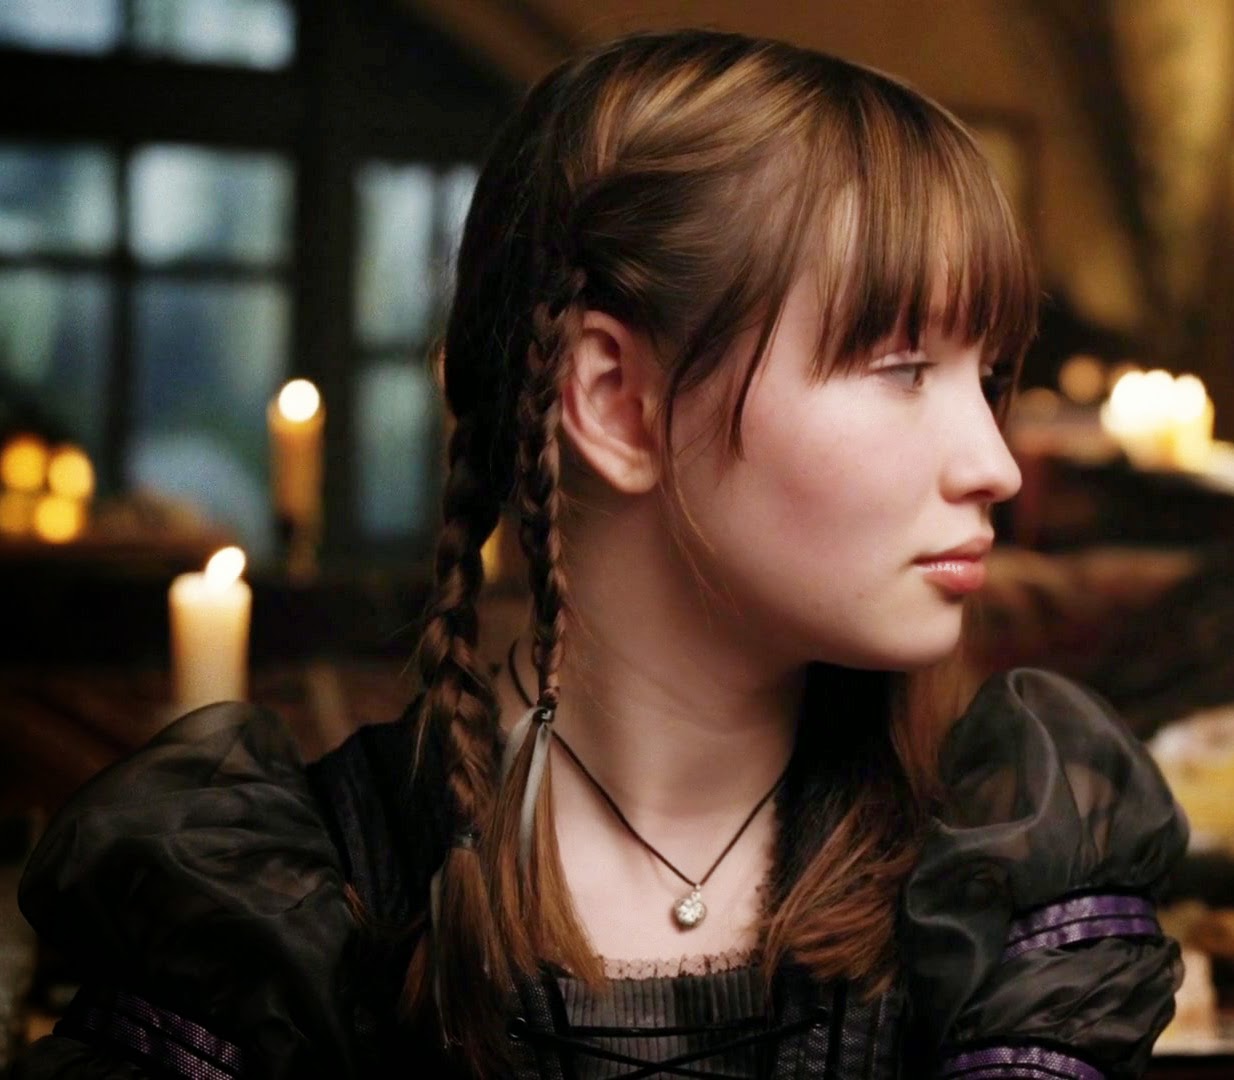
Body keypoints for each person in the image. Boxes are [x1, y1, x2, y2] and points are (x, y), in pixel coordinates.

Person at [12, 29, 1186, 1080]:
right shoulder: (286, 900)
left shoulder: (1000, 875)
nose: (995, 463)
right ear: (616, 401)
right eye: (901, 367)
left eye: (987, 375)